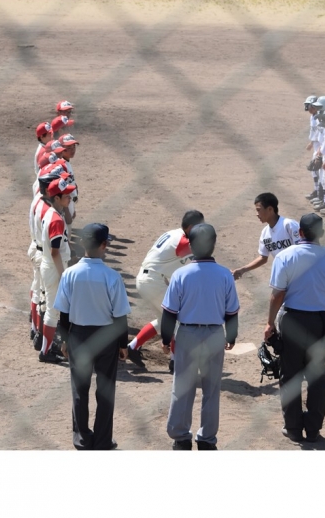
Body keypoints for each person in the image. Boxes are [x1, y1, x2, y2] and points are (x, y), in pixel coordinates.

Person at [264, 213, 325, 443]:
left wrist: (270, 323)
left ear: (300, 232)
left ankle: (293, 428)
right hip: (318, 323)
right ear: (321, 233)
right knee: (317, 377)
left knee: (290, 376)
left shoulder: (285, 256)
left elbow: (277, 295)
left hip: (292, 320)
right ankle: (313, 430)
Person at [160, 223, 240, 450]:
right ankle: (206, 439)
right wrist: (231, 336)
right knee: (211, 390)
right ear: (213, 244)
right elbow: (232, 312)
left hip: (187, 334)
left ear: (191, 246)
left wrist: (166, 339)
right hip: (214, 334)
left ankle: (181, 437)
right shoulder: (225, 275)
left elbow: (169, 313)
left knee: (182, 387)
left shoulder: (181, 274)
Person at [54, 223, 131, 450]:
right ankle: (102, 440)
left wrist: (64, 340)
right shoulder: (112, 276)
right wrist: (123, 344)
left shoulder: (69, 274)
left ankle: (82, 439)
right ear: (104, 245)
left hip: (78, 336)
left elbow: (63, 313)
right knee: (105, 390)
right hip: (106, 337)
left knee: (80, 390)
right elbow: (120, 315)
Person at [127, 210, 205, 371]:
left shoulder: (175, 233)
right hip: (153, 281)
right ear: (191, 227)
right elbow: (193, 255)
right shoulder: (182, 241)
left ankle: (132, 347)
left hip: (150, 279)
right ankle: (175, 361)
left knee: (164, 320)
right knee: (179, 318)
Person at [38, 176, 77, 363]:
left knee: (54, 310)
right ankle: (45, 352)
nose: (70, 198)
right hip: (54, 268)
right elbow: (55, 252)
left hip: (52, 265)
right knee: (53, 311)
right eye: (66, 195)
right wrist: (63, 275)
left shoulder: (53, 213)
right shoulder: (56, 219)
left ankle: (48, 346)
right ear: (56, 198)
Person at [230, 192, 300, 280]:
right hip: (283, 274)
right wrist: (243, 270)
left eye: (259, 210)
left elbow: (303, 248)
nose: (257, 214)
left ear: (270, 209)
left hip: (299, 272)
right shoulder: (265, 232)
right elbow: (263, 257)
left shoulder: (289, 225)